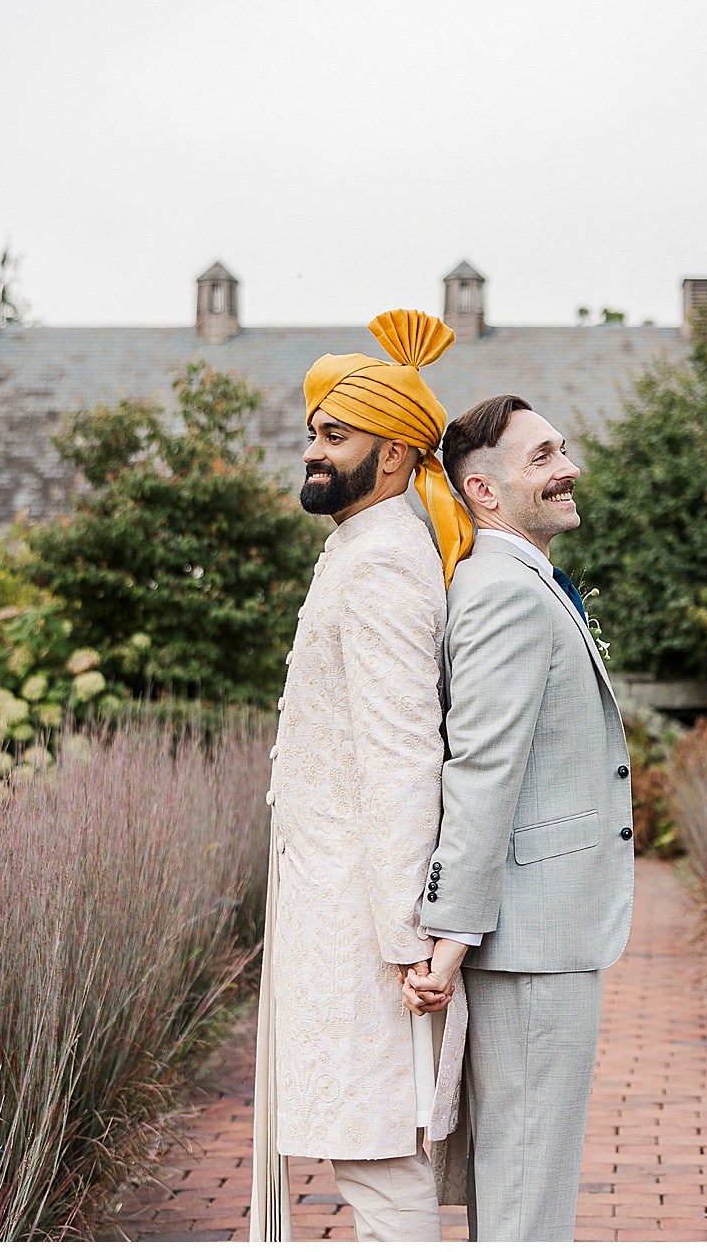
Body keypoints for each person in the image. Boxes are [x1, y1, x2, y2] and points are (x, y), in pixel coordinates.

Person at [250, 309, 478, 1243]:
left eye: (333, 435)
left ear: (392, 454)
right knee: (363, 1144)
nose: (312, 449)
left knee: (379, 1150)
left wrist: (406, 938)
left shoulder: (384, 560)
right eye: (313, 431)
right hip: (335, 901)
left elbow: (403, 756)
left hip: (363, 918)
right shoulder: (359, 545)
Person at [403, 393, 636, 1242]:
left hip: (540, 932)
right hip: (529, 937)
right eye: (541, 456)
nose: (567, 466)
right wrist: (452, 933)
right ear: (484, 491)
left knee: (520, 1177)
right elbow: (481, 771)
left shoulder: (522, 579)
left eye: (561, 448)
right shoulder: (504, 591)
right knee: (528, 1192)